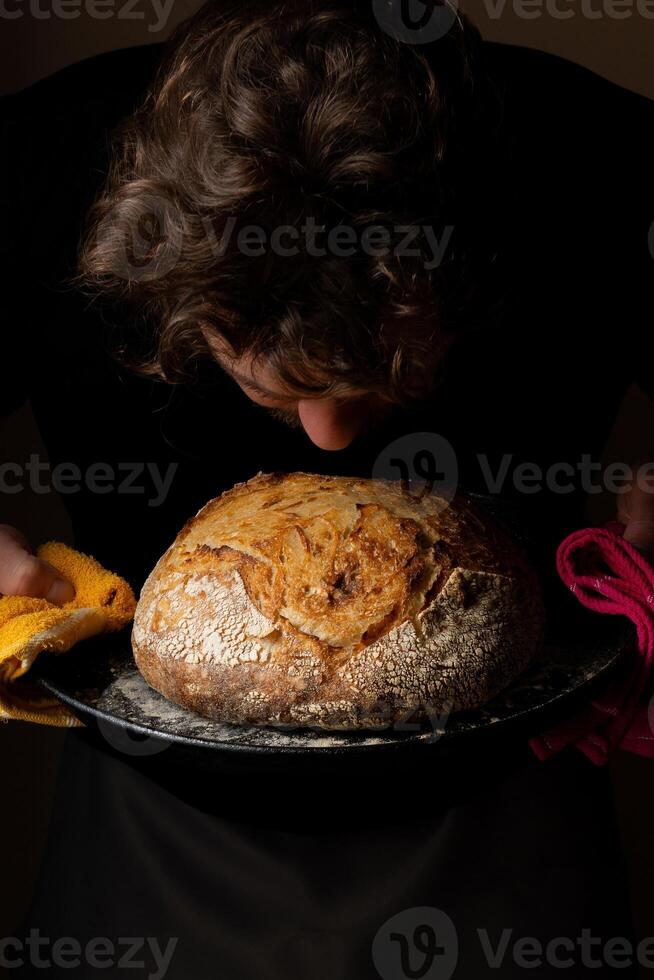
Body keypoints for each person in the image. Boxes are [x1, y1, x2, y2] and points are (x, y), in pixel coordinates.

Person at [1, 1, 653, 976]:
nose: (329, 436)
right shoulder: (36, 166)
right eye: (270, 376)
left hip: (519, 793)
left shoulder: (601, 157)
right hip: (148, 805)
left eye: (381, 376)